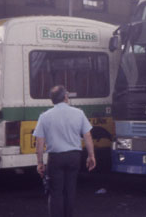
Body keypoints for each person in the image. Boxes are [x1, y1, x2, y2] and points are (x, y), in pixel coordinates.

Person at [34, 85, 96, 217]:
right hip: (74, 157)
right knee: (70, 191)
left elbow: (39, 143)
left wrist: (40, 162)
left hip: (55, 158)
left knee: (56, 193)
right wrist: (91, 156)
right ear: (65, 97)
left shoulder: (44, 116)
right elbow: (87, 136)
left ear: (52, 100)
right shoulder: (79, 113)